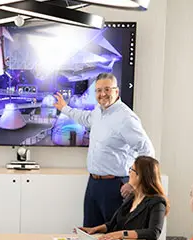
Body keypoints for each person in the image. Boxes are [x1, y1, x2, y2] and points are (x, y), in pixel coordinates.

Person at [54, 73, 154, 227]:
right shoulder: (99, 111)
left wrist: (134, 184)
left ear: (116, 91)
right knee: (90, 231)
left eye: (107, 89)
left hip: (115, 186)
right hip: (94, 184)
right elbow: (85, 118)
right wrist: (64, 108)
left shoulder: (126, 118)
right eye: (99, 90)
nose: (102, 94)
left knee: (114, 236)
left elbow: (147, 151)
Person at [79, 156, 168, 240]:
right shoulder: (132, 197)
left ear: (140, 176)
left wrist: (122, 234)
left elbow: (153, 233)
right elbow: (112, 224)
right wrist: (94, 229)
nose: (128, 173)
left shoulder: (157, 202)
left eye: (131, 170)